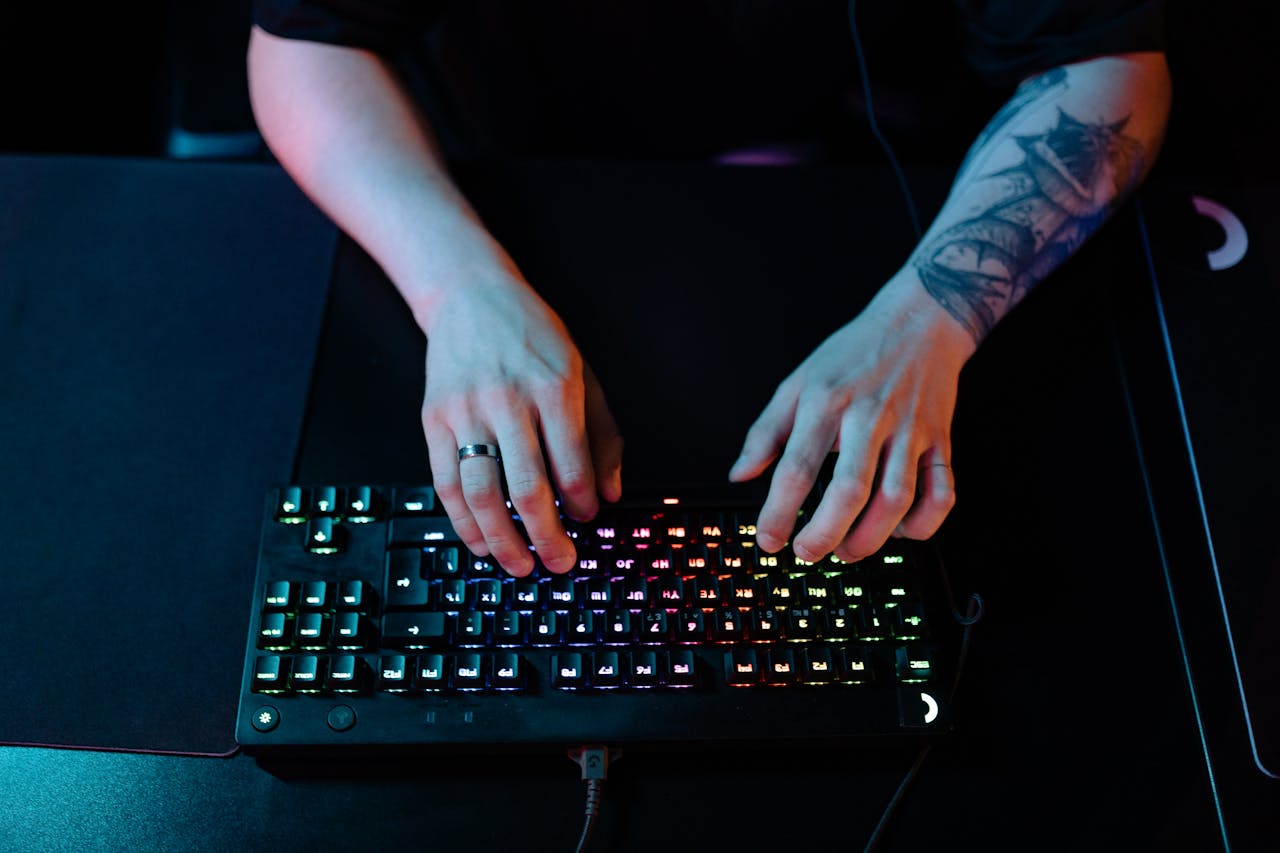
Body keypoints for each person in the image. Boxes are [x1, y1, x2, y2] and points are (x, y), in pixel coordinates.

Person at [246, 1, 1171, 577]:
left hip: (859, 179)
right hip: (492, 182)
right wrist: (457, 292)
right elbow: (301, 45)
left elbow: (1108, 65)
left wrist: (930, 317)